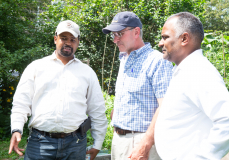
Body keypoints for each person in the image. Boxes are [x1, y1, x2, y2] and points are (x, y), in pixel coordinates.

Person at [8, 20, 107, 160]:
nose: (68, 43)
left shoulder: (87, 72)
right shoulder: (36, 67)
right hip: (40, 144)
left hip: (75, 144)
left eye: (72, 39)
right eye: (63, 38)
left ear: (78, 42)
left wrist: (98, 142)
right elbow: (21, 103)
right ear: (55, 39)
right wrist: (17, 129)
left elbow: (97, 109)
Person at [154, 12, 229, 159]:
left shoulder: (199, 71)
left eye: (165, 37)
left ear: (184, 38)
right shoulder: (186, 70)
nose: (160, 43)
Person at [102, 11, 173, 160]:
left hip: (142, 142)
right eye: (113, 35)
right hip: (119, 141)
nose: (115, 40)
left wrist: (144, 145)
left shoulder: (157, 61)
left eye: (119, 34)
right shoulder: (124, 58)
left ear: (136, 32)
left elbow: (166, 107)